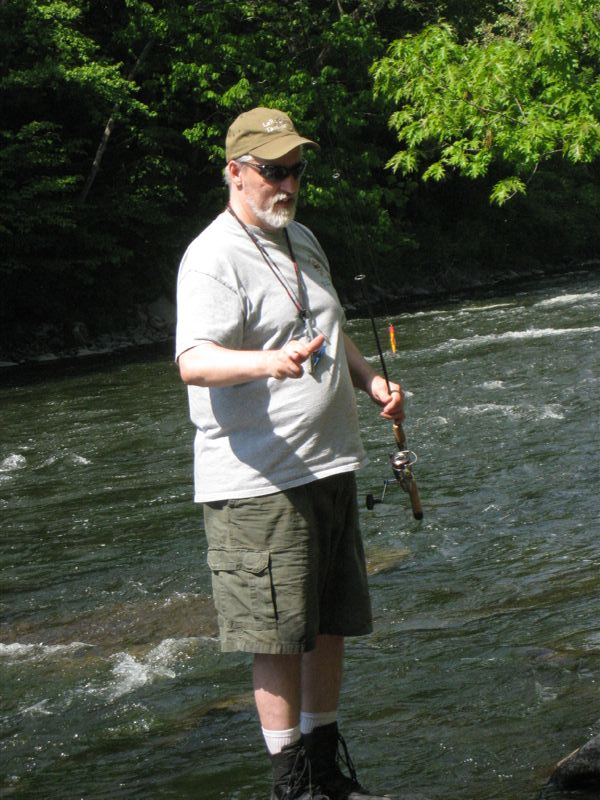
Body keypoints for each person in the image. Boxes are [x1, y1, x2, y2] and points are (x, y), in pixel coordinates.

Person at [176, 107, 404, 800]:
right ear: (235, 172)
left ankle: (327, 771)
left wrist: (370, 381)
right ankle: (292, 784)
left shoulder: (301, 237)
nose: (289, 184)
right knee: (276, 637)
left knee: (329, 626)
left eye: (296, 169)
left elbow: (331, 328)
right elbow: (193, 361)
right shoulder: (212, 257)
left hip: (330, 463)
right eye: (274, 171)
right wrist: (266, 362)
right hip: (258, 479)